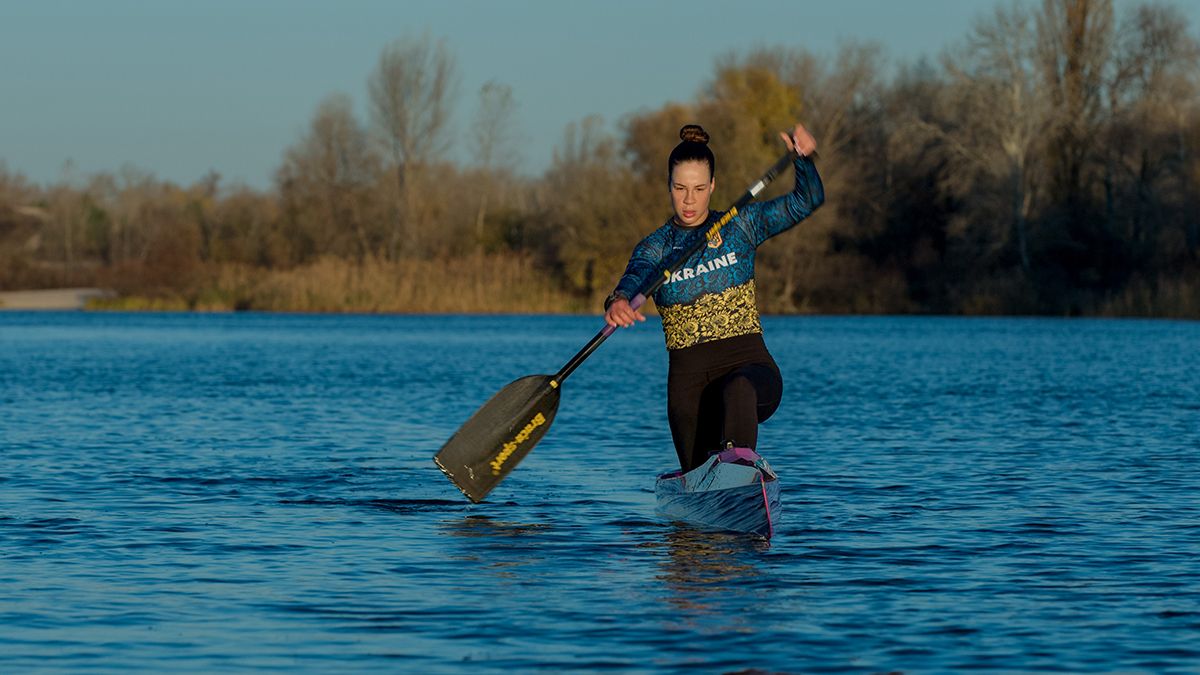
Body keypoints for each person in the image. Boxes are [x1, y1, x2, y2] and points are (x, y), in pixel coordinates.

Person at [603, 123, 824, 472]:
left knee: (738, 388)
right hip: (689, 390)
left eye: (698, 188)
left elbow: (807, 200)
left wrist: (804, 160)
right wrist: (618, 301)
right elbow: (632, 280)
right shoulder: (655, 248)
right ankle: (705, 493)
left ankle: (740, 470)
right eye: (680, 188)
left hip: (752, 372)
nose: (689, 199)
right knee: (695, 474)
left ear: (713, 187)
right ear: (669, 187)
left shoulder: (741, 226)